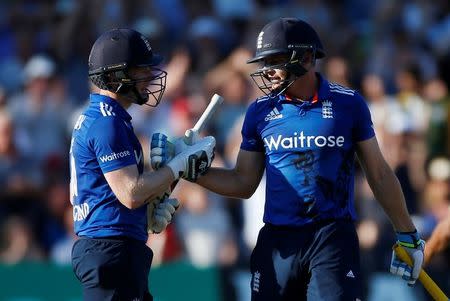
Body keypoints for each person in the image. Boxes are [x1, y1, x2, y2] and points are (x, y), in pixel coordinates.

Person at [151, 18, 425, 300]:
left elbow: (378, 173)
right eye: (265, 62)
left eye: (276, 60)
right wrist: (186, 169)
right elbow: (243, 182)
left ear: (307, 58)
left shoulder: (349, 103)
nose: (267, 71)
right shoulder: (259, 111)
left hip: (331, 237)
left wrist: (407, 234)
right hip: (278, 240)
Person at [69, 28, 215, 301]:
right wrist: (178, 166)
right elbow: (131, 193)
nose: (149, 76)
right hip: (110, 250)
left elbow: (117, 196)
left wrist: (146, 217)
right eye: (140, 70)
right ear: (115, 75)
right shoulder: (106, 123)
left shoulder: (110, 118)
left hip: (114, 247)